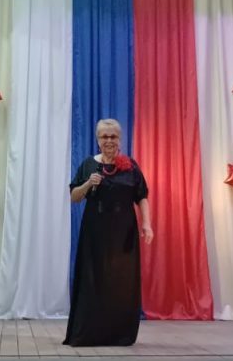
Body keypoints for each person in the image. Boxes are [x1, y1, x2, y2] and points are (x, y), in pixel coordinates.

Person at [63, 118, 154, 347]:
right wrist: (87, 184)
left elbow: (142, 196)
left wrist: (147, 224)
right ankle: (91, 333)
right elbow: (74, 197)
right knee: (94, 279)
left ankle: (119, 334)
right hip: (95, 232)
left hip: (124, 232)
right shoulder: (88, 165)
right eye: (105, 136)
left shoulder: (130, 166)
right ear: (98, 140)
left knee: (121, 281)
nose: (109, 141)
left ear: (120, 139)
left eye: (113, 136)